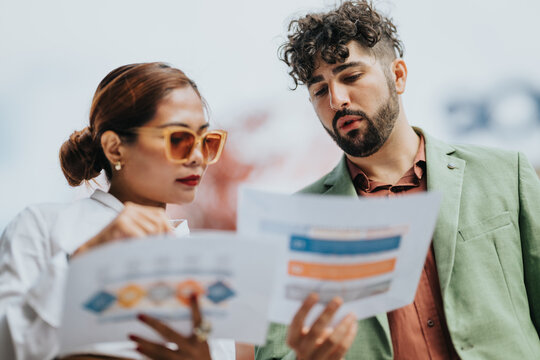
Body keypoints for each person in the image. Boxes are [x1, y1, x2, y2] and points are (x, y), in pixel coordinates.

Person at [256, 1, 540, 359]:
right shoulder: (296, 223)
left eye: (351, 76)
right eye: (319, 90)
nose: (337, 99)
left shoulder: (504, 173)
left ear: (398, 76)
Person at [0, 62, 234, 359]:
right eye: (178, 140)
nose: (198, 157)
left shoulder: (212, 267)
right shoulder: (42, 226)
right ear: (115, 148)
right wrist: (88, 258)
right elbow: (8, 347)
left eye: (206, 141)